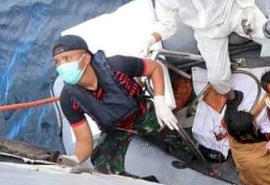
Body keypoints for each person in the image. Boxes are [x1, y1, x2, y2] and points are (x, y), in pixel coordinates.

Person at [149, 0, 267, 111]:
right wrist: (151, 38)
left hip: (232, 13)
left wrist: (248, 11)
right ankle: (233, 99)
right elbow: (167, 25)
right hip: (207, 32)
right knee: (217, 78)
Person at [53, 35, 178, 176]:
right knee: (104, 168)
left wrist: (160, 101)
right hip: (115, 129)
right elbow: (84, 141)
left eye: (67, 59)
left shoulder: (117, 66)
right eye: (57, 62)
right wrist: (75, 158)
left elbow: (154, 68)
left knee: (175, 134)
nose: (62, 66)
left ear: (86, 58)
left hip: (142, 112)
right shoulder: (69, 99)